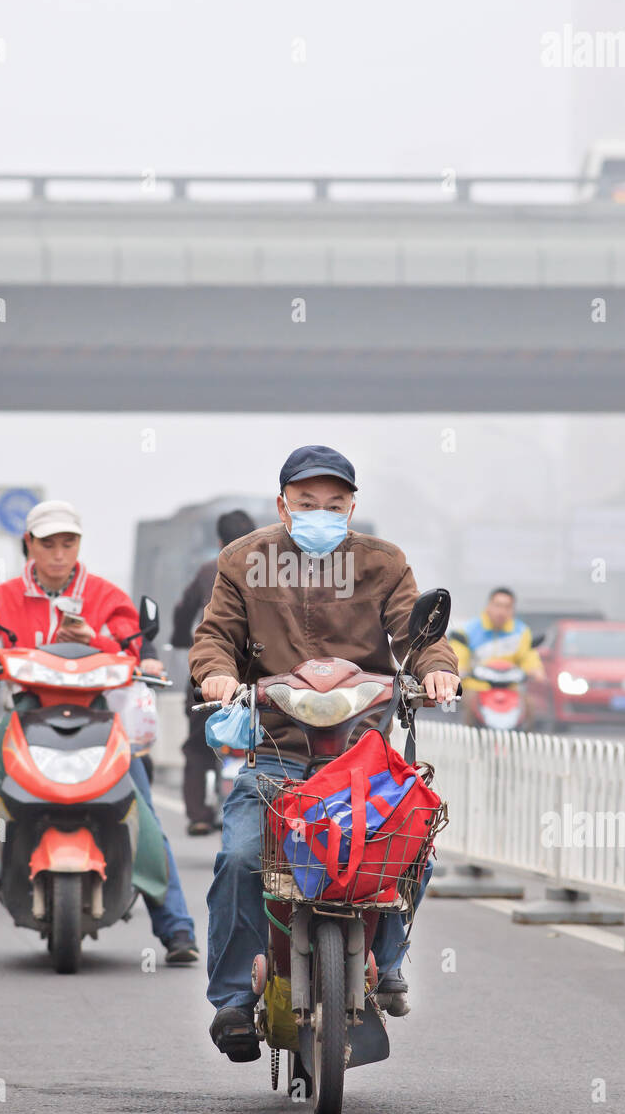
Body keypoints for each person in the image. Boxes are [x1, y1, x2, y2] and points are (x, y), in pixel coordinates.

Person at [188, 445, 460, 1061]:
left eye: (333, 505)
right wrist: (216, 674)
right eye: (307, 503)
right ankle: (233, 999)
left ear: (352, 507)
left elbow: (419, 638)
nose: (320, 513)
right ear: (282, 505)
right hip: (277, 752)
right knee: (237, 858)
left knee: (411, 850)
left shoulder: (383, 563)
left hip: (361, 756)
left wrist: (438, 671)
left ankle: (386, 964)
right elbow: (215, 637)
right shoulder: (243, 561)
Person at [0, 499, 199, 965]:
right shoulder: (0, 600)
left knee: (140, 806)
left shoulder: (106, 597)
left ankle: (176, 926)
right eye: (48, 544)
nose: (59, 554)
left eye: (68, 543)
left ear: (79, 545)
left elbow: (136, 649)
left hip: (98, 715)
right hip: (25, 712)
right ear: (29, 544)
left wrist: (102, 643)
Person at [171, 509, 256, 835]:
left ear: (220, 541)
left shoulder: (209, 570)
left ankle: (198, 815)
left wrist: (179, 640)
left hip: (207, 674)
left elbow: (183, 612)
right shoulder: (270, 571)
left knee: (196, 746)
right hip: (256, 675)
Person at [449, 586, 544, 724]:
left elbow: (529, 657)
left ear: (512, 610)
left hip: (510, 690)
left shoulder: (521, 632)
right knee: (470, 706)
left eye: (507, 607)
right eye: (498, 605)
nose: (502, 611)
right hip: (477, 688)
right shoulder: (468, 631)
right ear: (488, 606)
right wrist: (459, 671)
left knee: (529, 706)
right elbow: (458, 657)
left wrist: (536, 671)